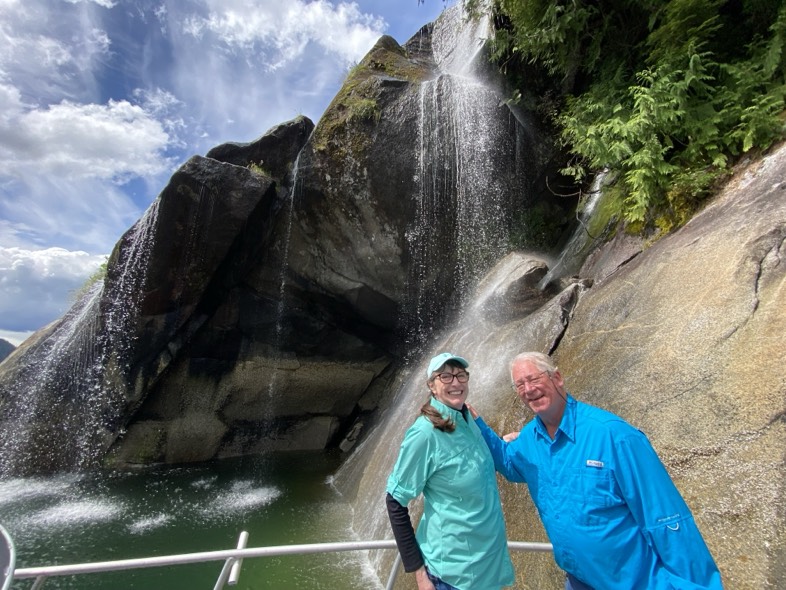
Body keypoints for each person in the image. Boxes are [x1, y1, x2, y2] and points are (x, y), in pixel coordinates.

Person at [469, 351, 723, 590]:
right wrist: (475, 423)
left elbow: (665, 518)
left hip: (635, 582)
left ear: (556, 377)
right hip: (580, 579)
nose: (528, 389)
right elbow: (509, 464)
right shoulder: (530, 438)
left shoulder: (614, 435)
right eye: (520, 385)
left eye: (534, 379)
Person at [386, 352, 515, 590]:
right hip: (453, 576)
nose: (455, 382)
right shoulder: (424, 434)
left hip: (489, 569)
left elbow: (472, 457)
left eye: (460, 375)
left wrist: (503, 442)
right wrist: (419, 574)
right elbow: (395, 501)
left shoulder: (468, 419)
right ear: (432, 386)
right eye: (445, 376)